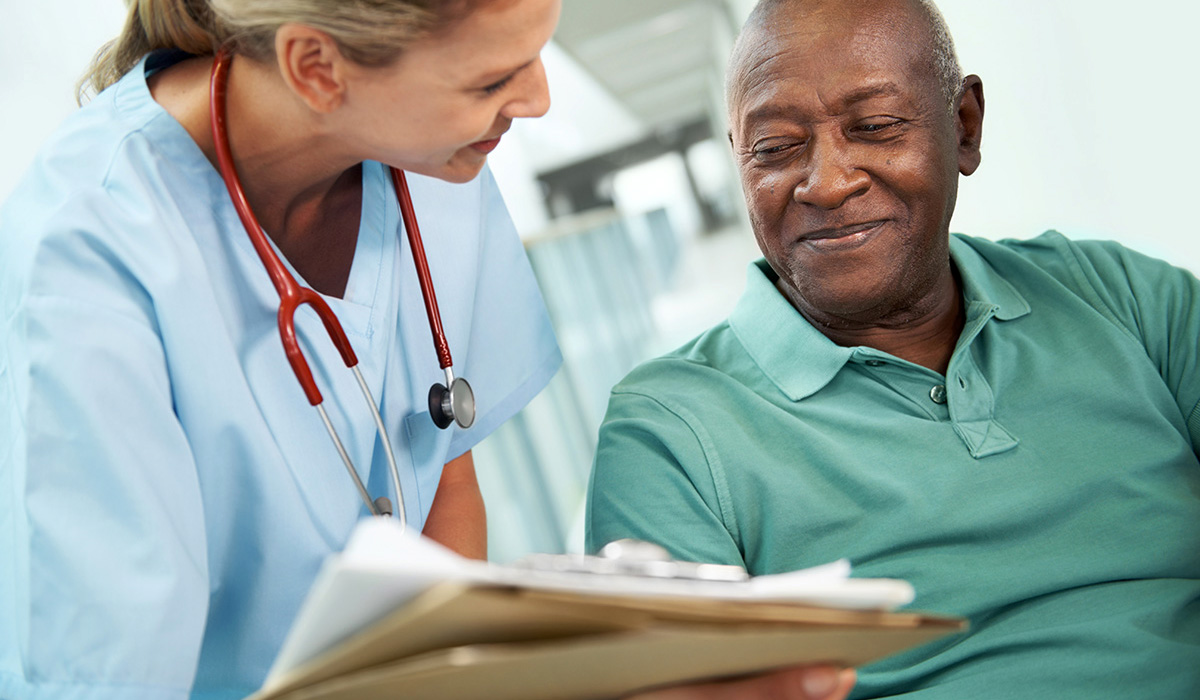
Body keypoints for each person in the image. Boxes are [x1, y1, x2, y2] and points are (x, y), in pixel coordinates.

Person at [0, 1, 856, 698]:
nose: (536, 99)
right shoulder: (87, 257)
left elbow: (447, 478)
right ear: (315, 68)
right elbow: (101, 674)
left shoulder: (437, 166)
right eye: (491, 77)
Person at [586, 0, 1200, 697]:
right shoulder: (668, 432)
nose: (826, 182)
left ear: (963, 127)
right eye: (776, 148)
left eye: (874, 127)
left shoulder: (1124, 298)